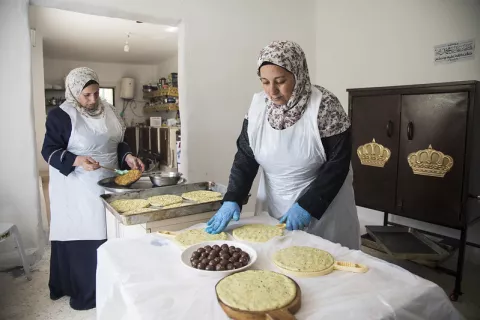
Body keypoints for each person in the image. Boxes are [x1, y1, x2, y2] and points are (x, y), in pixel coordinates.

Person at [205, 41, 360, 249]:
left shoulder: (324, 106)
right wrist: (233, 197)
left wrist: (308, 206)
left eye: (280, 81)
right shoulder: (258, 107)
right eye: (265, 82)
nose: (272, 91)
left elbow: (338, 164)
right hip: (274, 201)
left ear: (298, 74)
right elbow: (245, 158)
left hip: (324, 207)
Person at [41, 67, 144, 310]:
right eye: (87, 95)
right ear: (74, 92)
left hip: (109, 180)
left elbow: (117, 142)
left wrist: (127, 157)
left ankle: (113, 284)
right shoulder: (61, 116)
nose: (93, 99)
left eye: (96, 93)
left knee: (111, 229)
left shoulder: (107, 110)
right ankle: (88, 290)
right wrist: (77, 160)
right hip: (77, 185)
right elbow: (49, 150)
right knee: (88, 230)